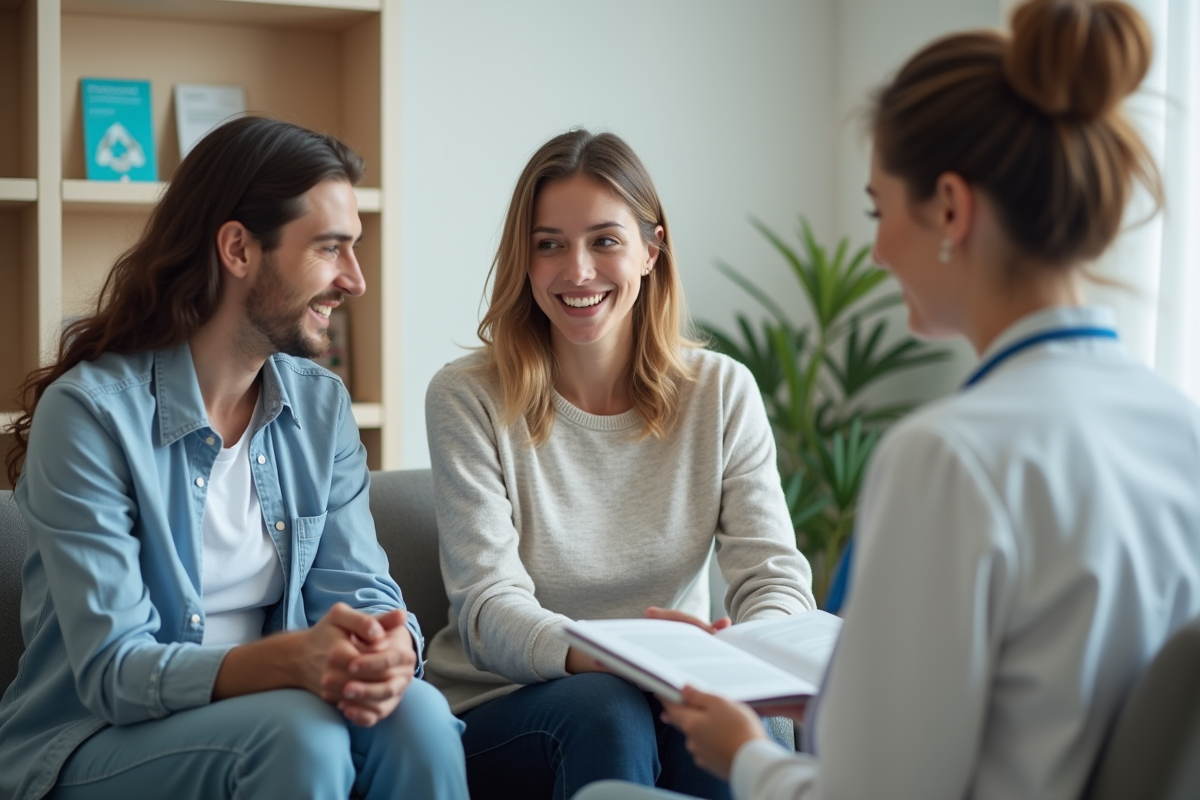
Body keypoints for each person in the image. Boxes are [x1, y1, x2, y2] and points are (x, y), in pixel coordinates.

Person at [573, 1, 1200, 799]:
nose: (874, 251)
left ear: (950, 208)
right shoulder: (1180, 429)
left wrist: (746, 751)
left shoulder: (949, 456)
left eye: (879, 209)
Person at [0, 117, 469, 800]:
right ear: (238, 249)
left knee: (419, 716)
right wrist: (289, 661)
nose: (355, 280)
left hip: (279, 714)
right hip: (92, 740)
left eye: (354, 249)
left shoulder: (321, 408)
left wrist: (394, 647)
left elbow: (360, 593)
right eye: (330, 248)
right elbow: (113, 671)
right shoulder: (90, 416)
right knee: (299, 733)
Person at [422, 129, 816, 800]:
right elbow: (488, 609)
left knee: (719, 725)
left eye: (604, 240)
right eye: (549, 245)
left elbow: (773, 577)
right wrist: (621, 658)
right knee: (609, 705)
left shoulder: (721, 391)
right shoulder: (467, 396)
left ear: (651, 250)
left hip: (670, 690)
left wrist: (740, 657)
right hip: (508, 706)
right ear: (525, 259)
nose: (578, 271)